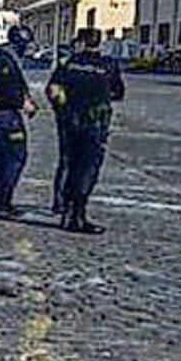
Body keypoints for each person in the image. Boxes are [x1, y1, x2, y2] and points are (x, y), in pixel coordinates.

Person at [47, 28, 125, 234]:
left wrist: (62, 110)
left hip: (69, 122)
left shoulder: (68, 63)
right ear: (99, 43)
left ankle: (65, 210)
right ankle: (77, 216)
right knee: (87, 169)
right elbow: (118, 92)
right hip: (94, 124)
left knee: (69, 164)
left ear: (81, 41)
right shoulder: (108, 65)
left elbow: (52, 90)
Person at [0, 25, 38, 218]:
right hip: (6, 116)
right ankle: (0, 202)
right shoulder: (5, 60)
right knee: (12, 158)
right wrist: (23, 103)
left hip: (3, 114)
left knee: (2, 159)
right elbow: (7, 89)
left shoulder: (4, 57)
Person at [49, 40, 77, 214]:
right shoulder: (66, 67)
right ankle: (62, 202)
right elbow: (53, 91)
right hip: (70, 118)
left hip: (67, 117)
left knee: (67, 161)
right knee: (69, 161)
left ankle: (63, 202)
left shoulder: (67, 67)